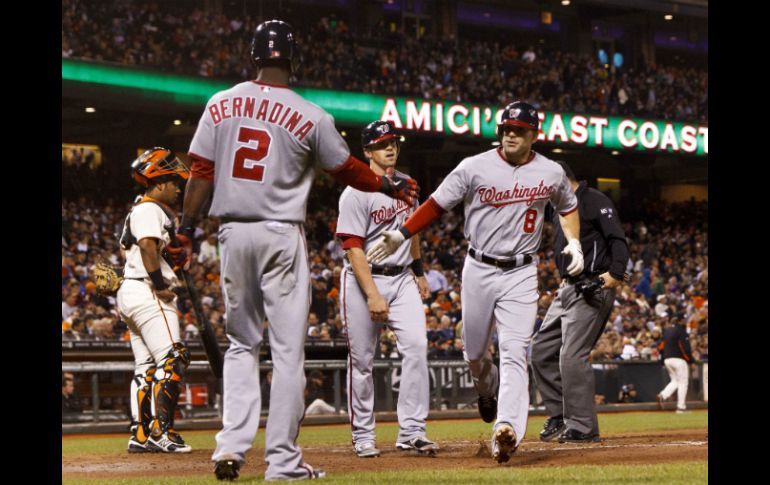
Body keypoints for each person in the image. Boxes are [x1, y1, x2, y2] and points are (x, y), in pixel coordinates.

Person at [178, 20, 419, 481]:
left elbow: (201, 172)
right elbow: (346, 168)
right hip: (280, 233)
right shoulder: (310, 113)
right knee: (288, 352)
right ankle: (283, 462)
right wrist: (387, 184)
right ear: (295, 59)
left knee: (240, 345)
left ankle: (229, 449)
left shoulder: (220, 102)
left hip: (232, 234)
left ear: (253, 55)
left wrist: (187, 229)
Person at [366, 101, 583, 464]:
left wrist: (573, 241)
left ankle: (507, 430)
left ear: (534, 134)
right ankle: (487, 388)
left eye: (519, 129)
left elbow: (568, 206)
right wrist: (402, 235)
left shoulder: (550, 171)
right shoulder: (474, 166)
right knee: (474, 353)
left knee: (516, 352)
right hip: (478, 267)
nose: (511, 134)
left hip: (521, 272)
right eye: (507, 128)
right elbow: (435, 205)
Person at [336, 120, 437, 459]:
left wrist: (419, 270)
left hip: (402, 276)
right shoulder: (355, 191)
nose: (389, 148)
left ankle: (411, 431)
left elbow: (414, 228)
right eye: (381, 144)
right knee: (362, 361)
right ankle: (363, 435)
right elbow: (353, 247)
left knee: (417, 347)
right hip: (364, 279)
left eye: (392, 142)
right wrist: (373, 294)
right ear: (367, 152)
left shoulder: (408, 184)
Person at [530, 160, 629, 444]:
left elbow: (617, 239)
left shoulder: (594, 199)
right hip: (567, 289)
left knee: (571, 356)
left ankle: (583, 427)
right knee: (540, 351)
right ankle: (560, 415)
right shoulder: (558, 207)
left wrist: (616, 274)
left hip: (593, 286)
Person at [116, 147, 192, 454]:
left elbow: (138, 248)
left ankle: (141, 434)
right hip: (147, 291)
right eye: (173, 182)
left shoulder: (140, 209)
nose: (177, 188)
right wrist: (160, 284)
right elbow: (147, 245)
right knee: (173, 357)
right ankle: (162, 431)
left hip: (132, 292)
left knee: (146, 367)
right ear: (158, 183)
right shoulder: (150, 208)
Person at [657, 318, 694, 413]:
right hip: (678, 359)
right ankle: (681, 408)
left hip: (667, 359)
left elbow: (660, 347)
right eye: (684, 319)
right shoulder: (681, 331)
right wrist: (690, 361)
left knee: (675, 381)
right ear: (680, 321)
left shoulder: (667, 331)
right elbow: (684, 347)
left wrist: (662, 360)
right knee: (683, 383)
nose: (685, 321)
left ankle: (663, 395)